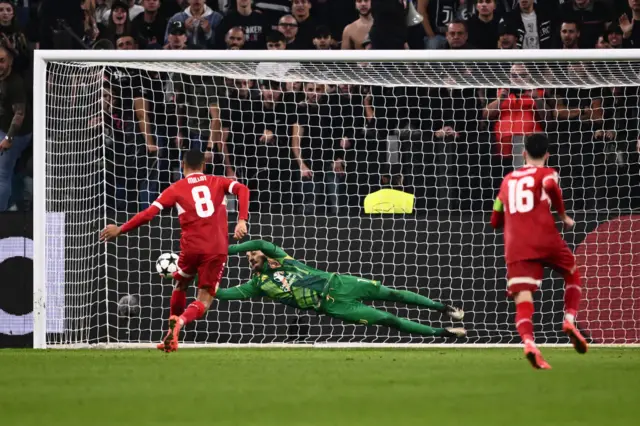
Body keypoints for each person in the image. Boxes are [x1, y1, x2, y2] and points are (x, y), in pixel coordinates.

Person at [100, 150, 250, 352]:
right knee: (204, 300)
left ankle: (170, 333)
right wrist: (241, 220)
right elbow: (243, 189)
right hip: (215, 248)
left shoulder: (175, 188)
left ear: (182, 165)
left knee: (181, 285)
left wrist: (121, 229)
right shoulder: (218, 181)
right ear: (203, 166)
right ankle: (179, 324)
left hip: (191, 248)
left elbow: (148, 214)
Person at [213, 240, 466, 339]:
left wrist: (225, 249)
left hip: (339, 282)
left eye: (252, 255)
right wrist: (199, 279)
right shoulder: (258, 285)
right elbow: (223, 294)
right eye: (248, 257)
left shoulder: (283, 259)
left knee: (393, 294)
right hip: (333, 306)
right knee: (388, 319)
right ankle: (445, 332)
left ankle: (444, 308)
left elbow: (259, 242)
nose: (250, 257)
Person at [490, 133, 588, 370]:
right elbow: (550, 185)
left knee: (523, 296)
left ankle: (529, 343)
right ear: (547, 154)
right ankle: (568, 319)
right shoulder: (548, 172)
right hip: (545, 237)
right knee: (572, 272)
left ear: (523, 154)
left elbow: (494, 219)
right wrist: (562, 215)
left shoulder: (508, 179)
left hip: (516, 245)